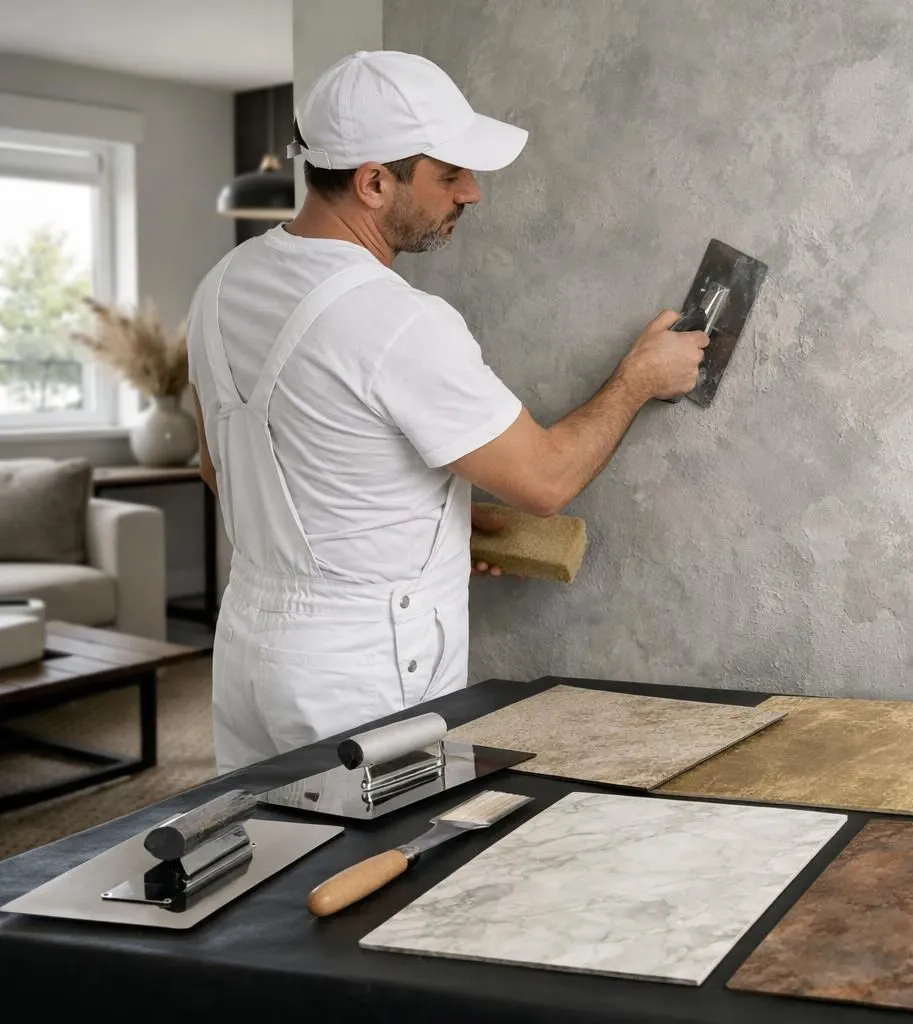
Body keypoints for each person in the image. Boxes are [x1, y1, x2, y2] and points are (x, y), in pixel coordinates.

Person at [186, 50, 707, 773]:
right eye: (448, 173)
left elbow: (225, 467)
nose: (473, 193)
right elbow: (544, 480)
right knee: (387, 866)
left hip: (250, 653)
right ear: (373, 182)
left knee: (277, 860)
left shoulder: (222, 285)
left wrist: (411, 534)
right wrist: (639, 379)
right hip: (362, 669)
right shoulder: (397, 319)